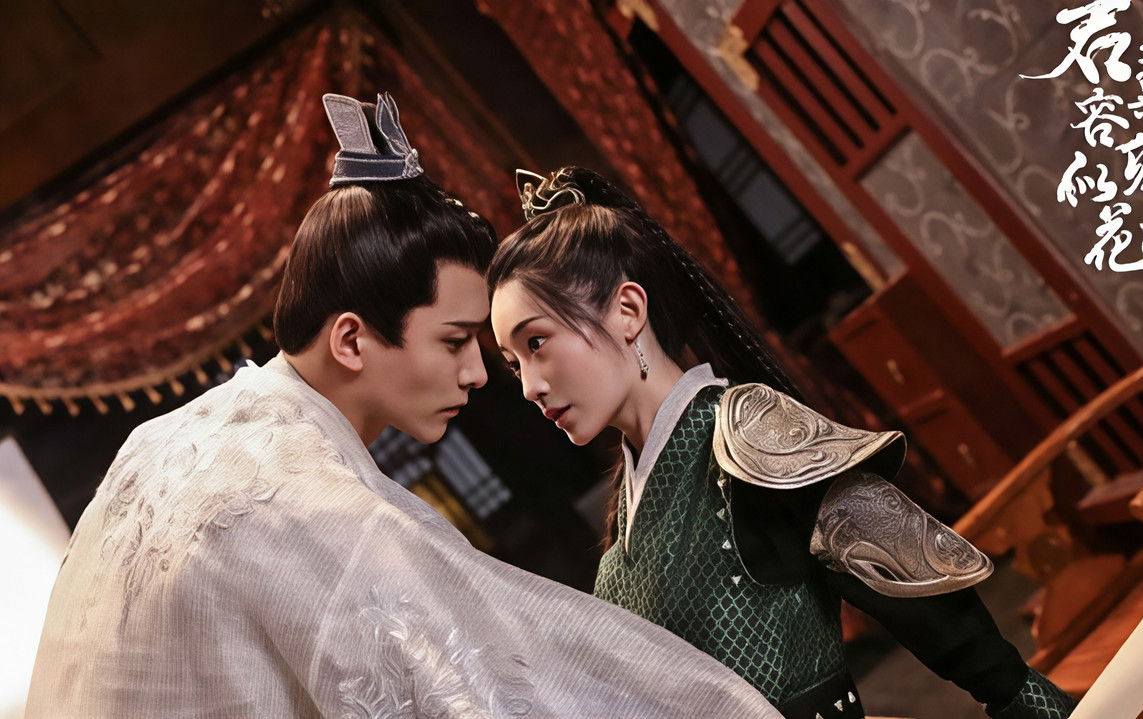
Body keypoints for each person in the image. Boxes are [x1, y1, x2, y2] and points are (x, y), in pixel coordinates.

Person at [24, 95, 782, 718]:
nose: (479, 374)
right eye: (455, 341)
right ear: (352, 339)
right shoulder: (304, 502)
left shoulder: (161, 442)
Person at [488, 166, 1080, 719]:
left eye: (536, 343)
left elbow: (934, 612)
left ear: (627, 309)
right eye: (513, 365)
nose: (530, 387)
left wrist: (1031, 702)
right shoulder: (627, 506)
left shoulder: (752, 438)